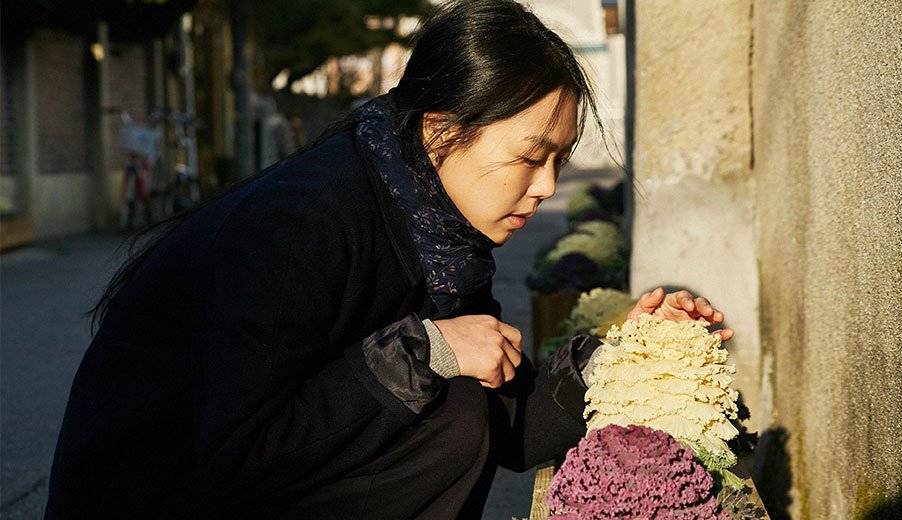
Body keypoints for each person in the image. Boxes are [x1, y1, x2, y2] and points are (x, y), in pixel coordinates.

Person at [44, 1, 733, 519]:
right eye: (529, 158)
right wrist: (422, 350)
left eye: (558, 160)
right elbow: (234, 455)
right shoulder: (299, 227)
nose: (548, 185)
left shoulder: (438, 237)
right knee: (448, 398)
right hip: (160, 494)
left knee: (459, 396)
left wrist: (620, 357)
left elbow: (508, 429)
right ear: (441, 131)